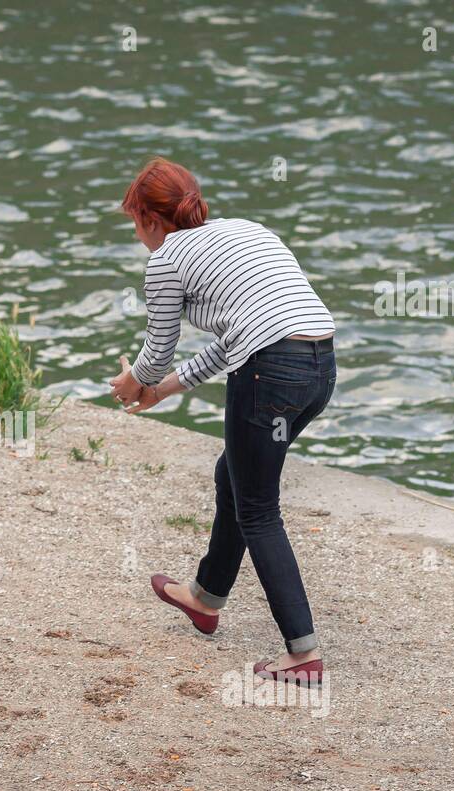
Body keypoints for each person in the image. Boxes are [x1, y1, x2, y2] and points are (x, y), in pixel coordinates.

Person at [110, 157, 336, 684]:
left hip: (268, 373)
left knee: (258, 509)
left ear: (150, 219)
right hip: (318, 367)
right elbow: (238, 339)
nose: (139, 236)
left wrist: (134, 381)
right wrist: (164, 391)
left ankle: (303, 656)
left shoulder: (166, 258)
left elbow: (159, 348)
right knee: (232, 473)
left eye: (135, 224)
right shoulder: (246, 231)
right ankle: (205, 598)